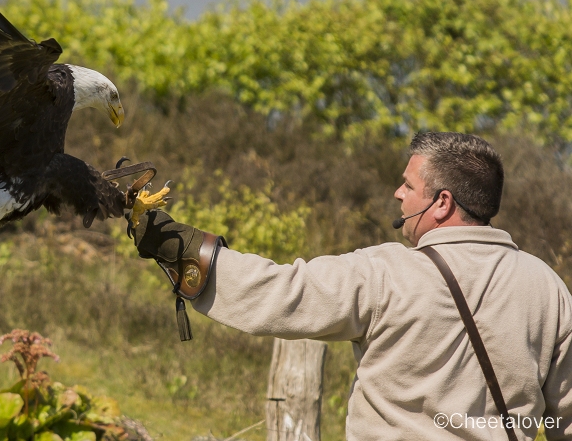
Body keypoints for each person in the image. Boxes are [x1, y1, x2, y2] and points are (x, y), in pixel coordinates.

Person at [133, 132, 572, 440]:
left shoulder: (388, 272)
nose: (398, 194)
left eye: (408, 184)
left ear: (442, 203)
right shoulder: (549, 290)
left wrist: (176, 246)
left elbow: (280, 293)